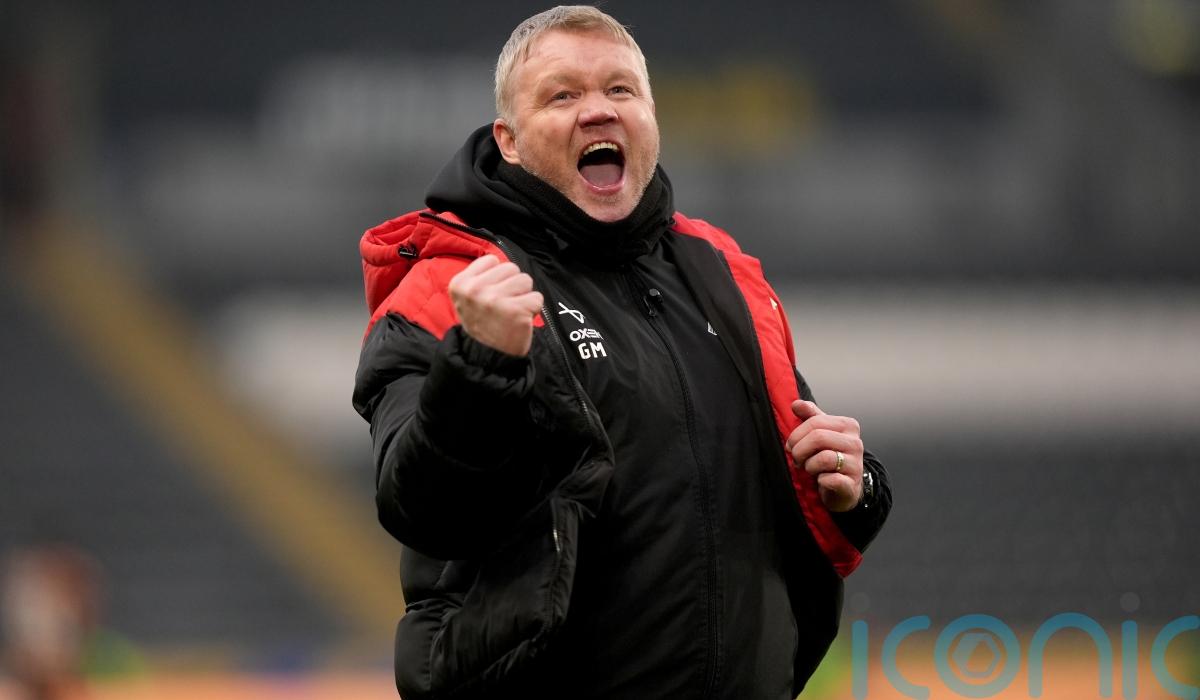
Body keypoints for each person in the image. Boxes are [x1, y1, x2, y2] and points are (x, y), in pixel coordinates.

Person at [352, 6, 891, 698]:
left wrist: (853, 489)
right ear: (508, 141)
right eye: (563, 95)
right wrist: (478, 367)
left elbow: (793, 475)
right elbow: (420, 509)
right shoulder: (450, 288)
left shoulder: (725, 273)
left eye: (620, 89)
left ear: (651, 119)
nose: (599, 110)